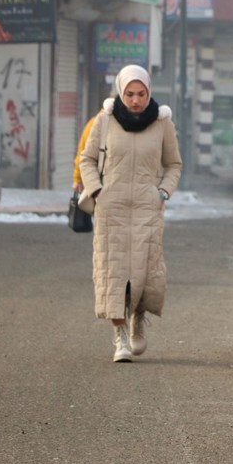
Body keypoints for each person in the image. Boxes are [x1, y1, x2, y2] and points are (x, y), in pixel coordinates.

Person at [78, 65, 183, 362]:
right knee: (113, 271)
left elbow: (174, 164)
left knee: (144, 271)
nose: (135, 100)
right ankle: (119, 336)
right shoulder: (106, 120)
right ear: (120, 92)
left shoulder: (162, 123)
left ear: (149, 92)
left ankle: (138, 318)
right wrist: (98, 191)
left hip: (148, 209)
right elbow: (87, 159)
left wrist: (162, 192)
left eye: (141, 94)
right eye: (129, 94)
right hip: (111, 209)